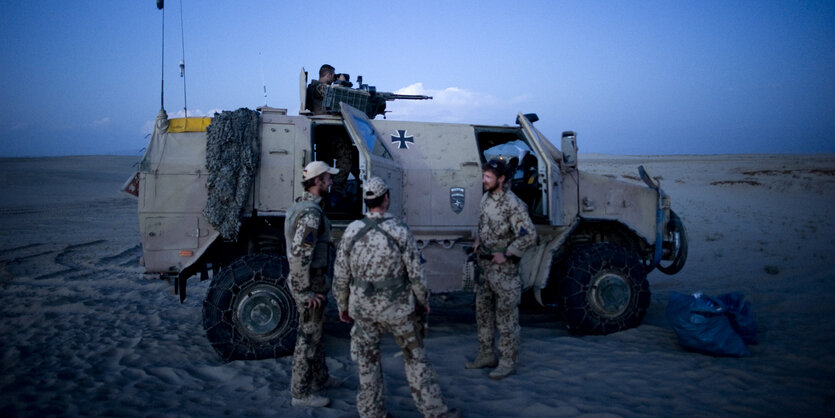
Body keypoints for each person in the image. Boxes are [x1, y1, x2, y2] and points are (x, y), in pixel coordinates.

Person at [334, 177, 459, 418]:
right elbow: (416, 274)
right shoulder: (400, 230)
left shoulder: (351, 230)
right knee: (415, 359)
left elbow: (340, 274)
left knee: (367, 364)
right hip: (399, 309)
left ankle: (371, 413)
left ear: (366, 200)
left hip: (364, 310)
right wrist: (423, 302)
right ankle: (435, 411)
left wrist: (342, 305)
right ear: (387, 198)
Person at [466, 158, 537, 379]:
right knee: (483, 313)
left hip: (504, 270)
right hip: (485, 267)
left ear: (502, 179)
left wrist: (506, 254)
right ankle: (486, 355)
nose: (483, 180)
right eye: (483, 176)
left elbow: (529, 236)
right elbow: (484, 225)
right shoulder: (486, 198)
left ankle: (508, 361)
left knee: (506, 317)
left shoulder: (512, 204)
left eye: (488, 177)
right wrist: (478, 240)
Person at [285, 160, 340, 408]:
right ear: (318, 181)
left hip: (313, 280)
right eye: (328, 178)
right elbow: (300, 254)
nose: (331, 181)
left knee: (315, 333)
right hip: (309, 282)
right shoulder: (310, 215)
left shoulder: (305, 206)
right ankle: (300, 393)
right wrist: (305, 291)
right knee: (308, 336)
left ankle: (320, 378)